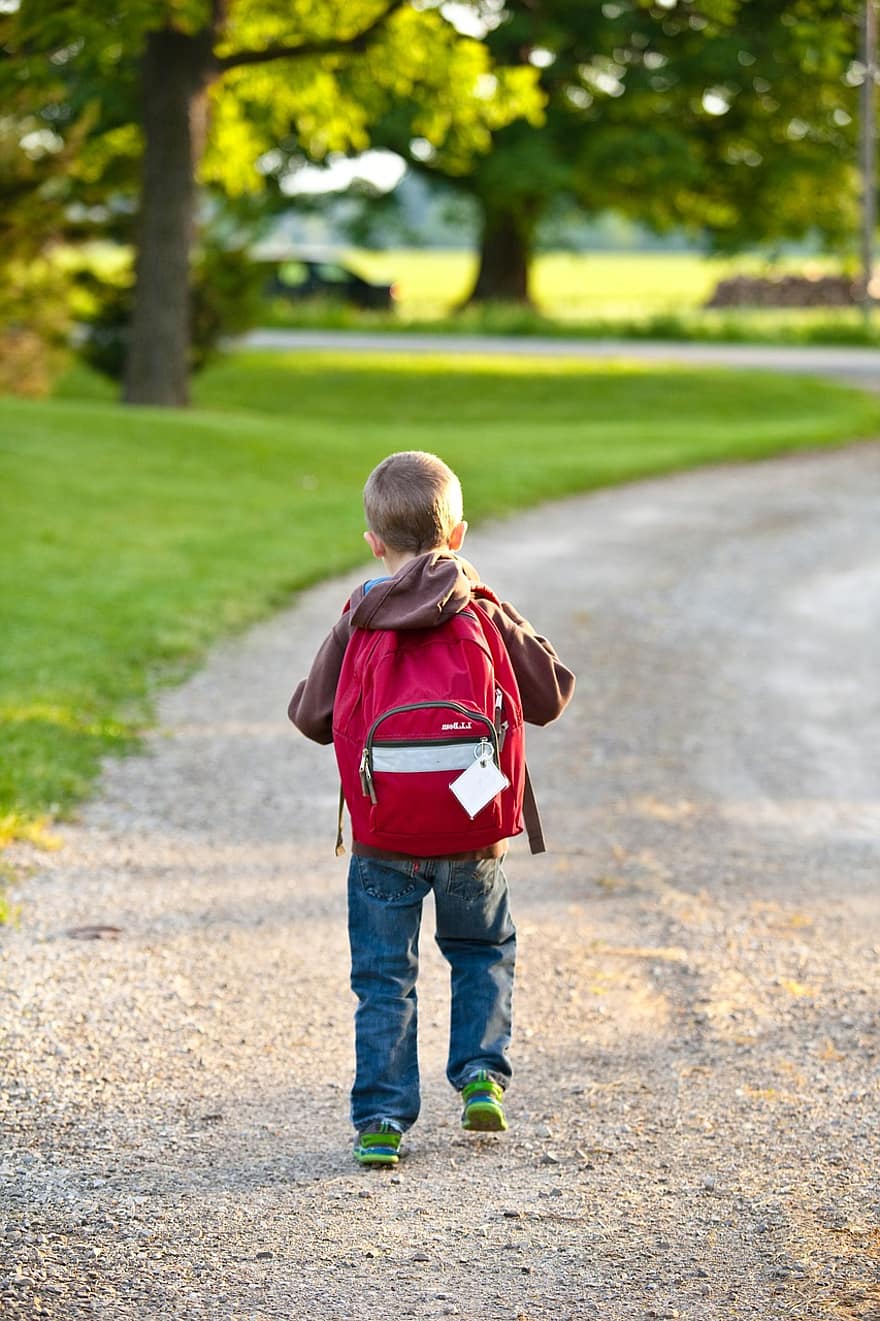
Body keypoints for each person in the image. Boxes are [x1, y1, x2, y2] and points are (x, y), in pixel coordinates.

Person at [289, 450, 575, 1166]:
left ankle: (382, 1119)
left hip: (383, 836)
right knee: (481, 949)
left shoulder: (361, 611)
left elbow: (310, 716)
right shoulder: (478, 607)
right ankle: (481, 1073)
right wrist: (491, 599)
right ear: (459, 536)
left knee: (385, 976)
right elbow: (550, 694)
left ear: (373, 542)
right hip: (472, 830)